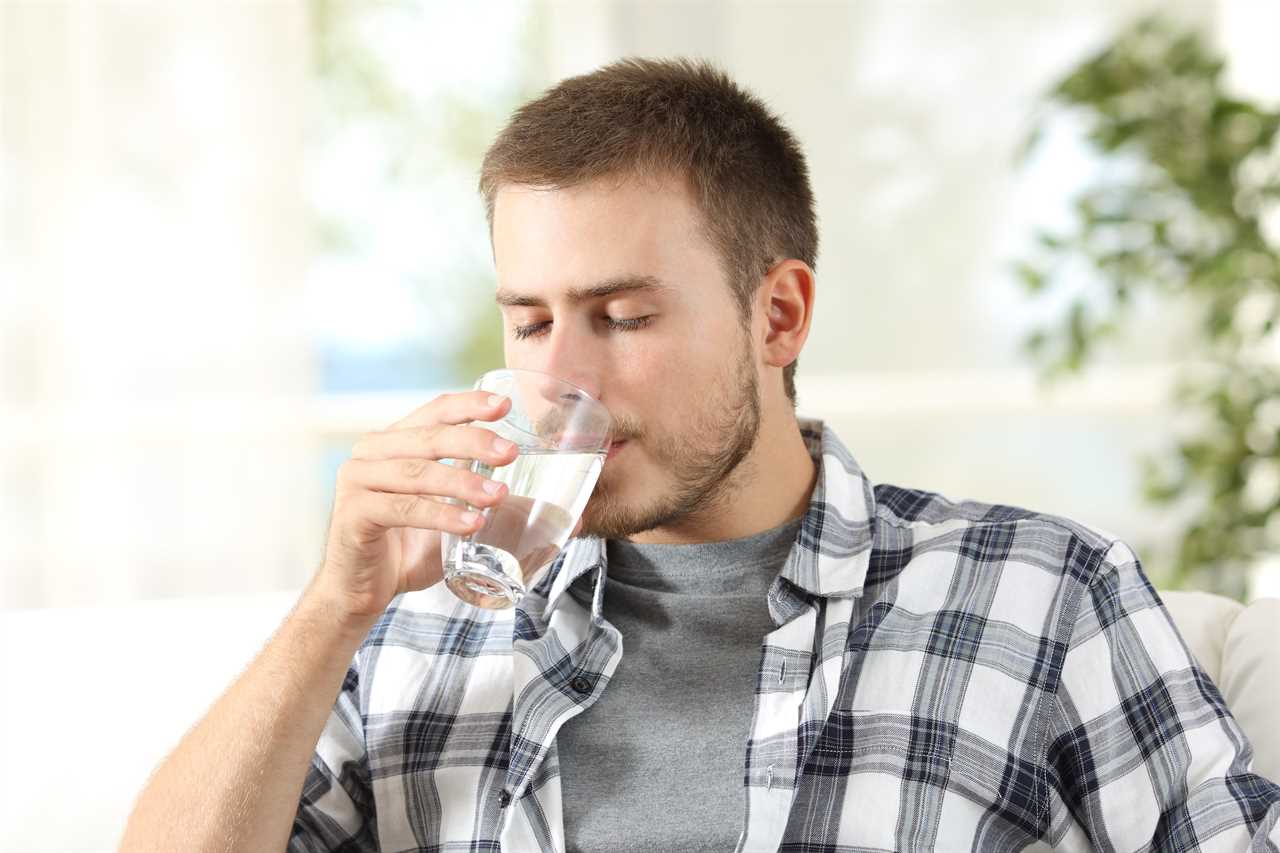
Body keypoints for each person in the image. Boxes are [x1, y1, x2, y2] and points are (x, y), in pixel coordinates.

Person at [120, 57, 1279, 853]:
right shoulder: (418, 626)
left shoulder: (1039, 595)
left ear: (777, 316)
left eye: (622, 316)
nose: (561, 373)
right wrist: (337, 600)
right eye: (528, 320)